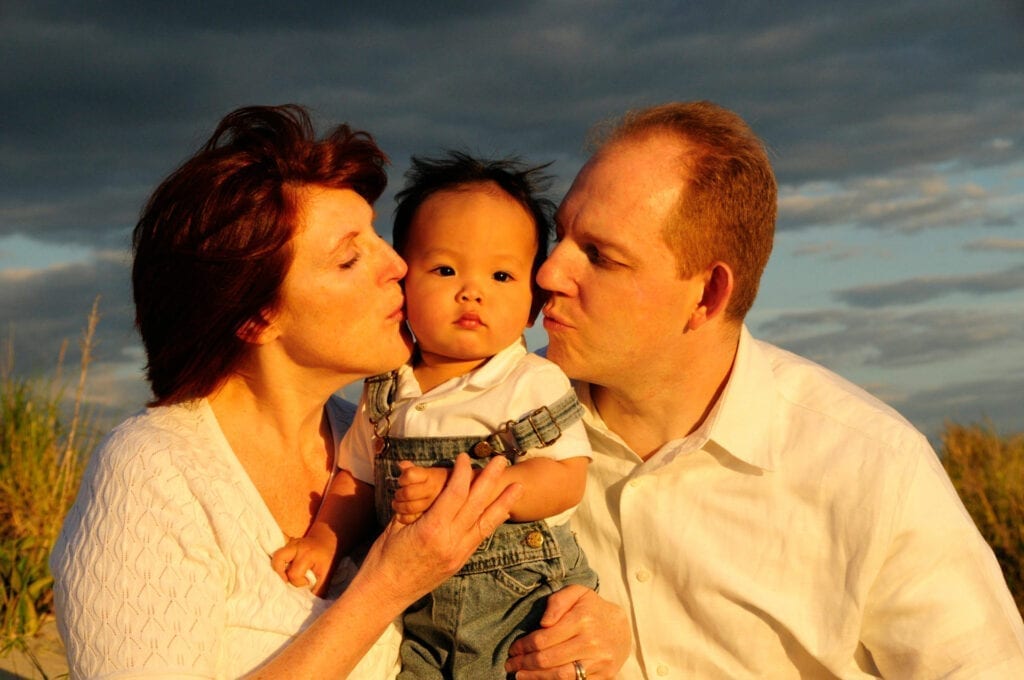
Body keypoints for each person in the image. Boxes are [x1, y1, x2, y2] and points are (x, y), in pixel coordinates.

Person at [505, 101, 1024, 678]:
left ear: (707, 295)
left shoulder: (872, 468)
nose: (549, 273)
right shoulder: (492, 431)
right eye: (561, 236)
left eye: (600, 256)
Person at [49, 105, 522, 679]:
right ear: (256, 318)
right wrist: (387, 586)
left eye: (376, 237)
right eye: (349, 258)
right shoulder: (155, 472)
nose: (397, 264)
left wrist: (583, 626)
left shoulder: (382, 436)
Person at [271, 152, 599, 679]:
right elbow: (356, 479)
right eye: (445, 269)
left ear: (533, 304)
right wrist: (325, 540)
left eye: (501, 275)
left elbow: (564, 478)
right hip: (415, 617)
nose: (472, 291)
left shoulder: (528, 382)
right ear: (403, 283)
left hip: (521, 609)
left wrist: (463, 487)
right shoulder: (387, 389)